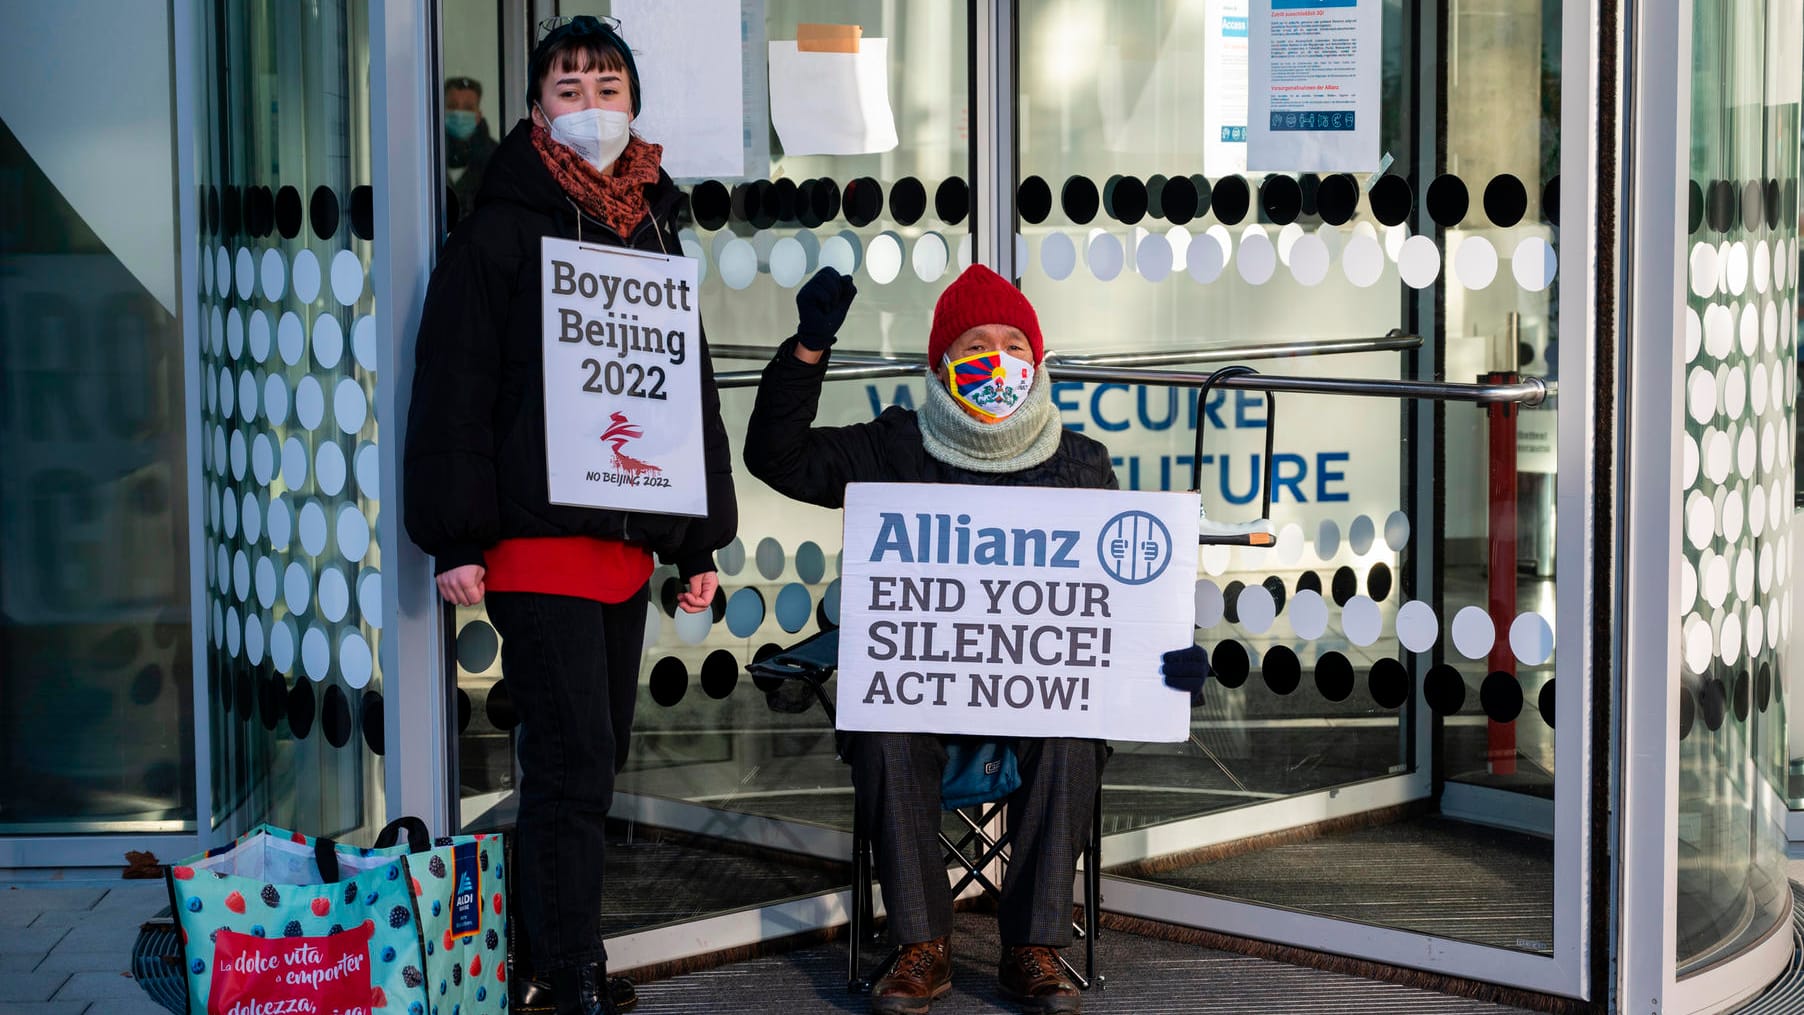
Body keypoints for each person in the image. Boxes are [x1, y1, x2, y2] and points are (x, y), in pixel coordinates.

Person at [403, 16, 736, 1015]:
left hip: (625, 547)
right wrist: (456, 535)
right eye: (566, 88)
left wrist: (696, 541)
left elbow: (682, 390)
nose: (587, 106)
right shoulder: (498, 229)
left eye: (604, 87)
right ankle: (566, 970)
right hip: (537, 540)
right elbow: (454, 387)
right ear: (533, 107)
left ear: (631, 102)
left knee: (593, 762)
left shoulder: (653, 223)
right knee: (571, 763)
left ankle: (557, 954)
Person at [744, 263, 1113, 1014]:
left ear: (1037, 360)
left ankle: (1033, 945)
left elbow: (1114, 601)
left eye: (1015, 343)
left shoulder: (1082, 464)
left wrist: (1163, 654)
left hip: (1033, 691)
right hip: (923, 692)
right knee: (881, 723)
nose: (1001, 359)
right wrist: (810, 348)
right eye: (978, 343)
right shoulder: (895, 447)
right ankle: (921, 943)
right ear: (940, 363)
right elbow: (775, 458)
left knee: (1079, 725)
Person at [444, 75, 498, 222]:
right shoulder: (425, 154)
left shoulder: (497, 159)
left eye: (468, 108)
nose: (459, 114)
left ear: (478, 115)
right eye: (453, 106)